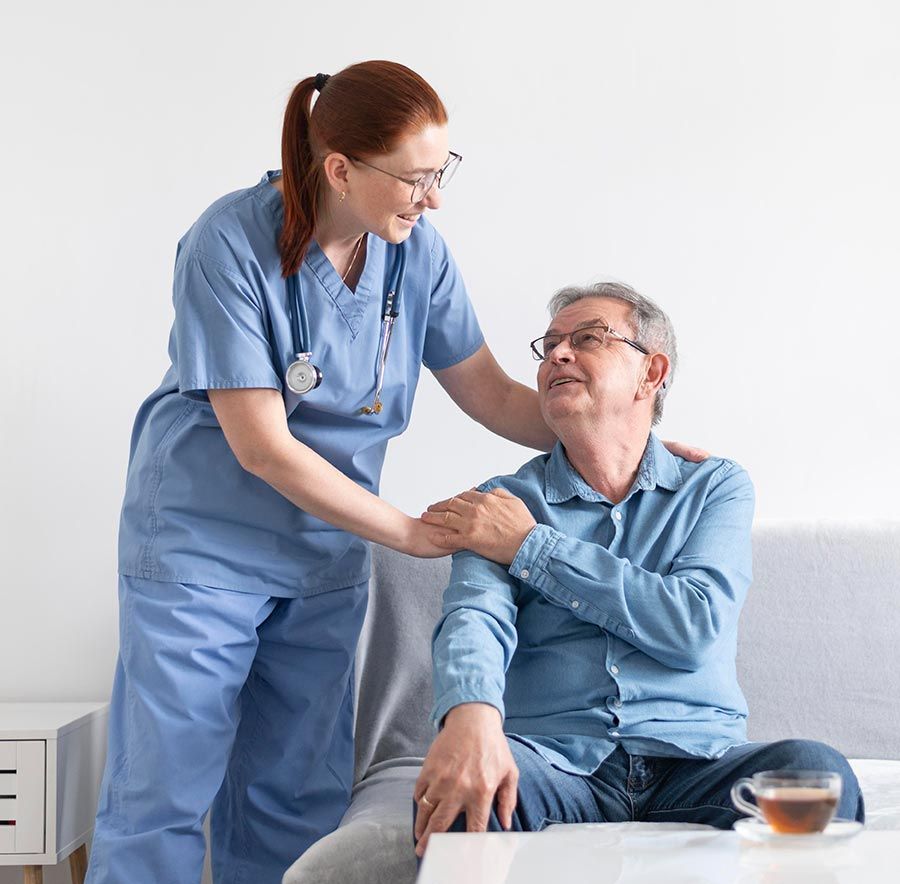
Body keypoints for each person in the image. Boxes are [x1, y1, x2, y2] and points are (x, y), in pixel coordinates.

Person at [85, 60, 564, 884]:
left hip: (322, 555)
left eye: (440, 173)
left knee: (292, 801)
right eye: (416, 178)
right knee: (162, 795)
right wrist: (411, 534)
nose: (433, 198)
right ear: (340, 168)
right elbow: (264, 447)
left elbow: (490, 394)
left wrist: (632, 437)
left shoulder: (418, 257)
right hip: (205, 549)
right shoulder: (228, 242)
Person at [412, 281, 864, 856]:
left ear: (651, 374)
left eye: (588, 339)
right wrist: (470, 717)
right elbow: (473, 620)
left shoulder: (714, 488)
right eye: (549, 345)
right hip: (557, 761)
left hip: (698, 763)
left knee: (813, 771)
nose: (557, 354)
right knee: (462, 792)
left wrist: (532, 547)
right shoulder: (500, 501)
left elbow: (693, 625)